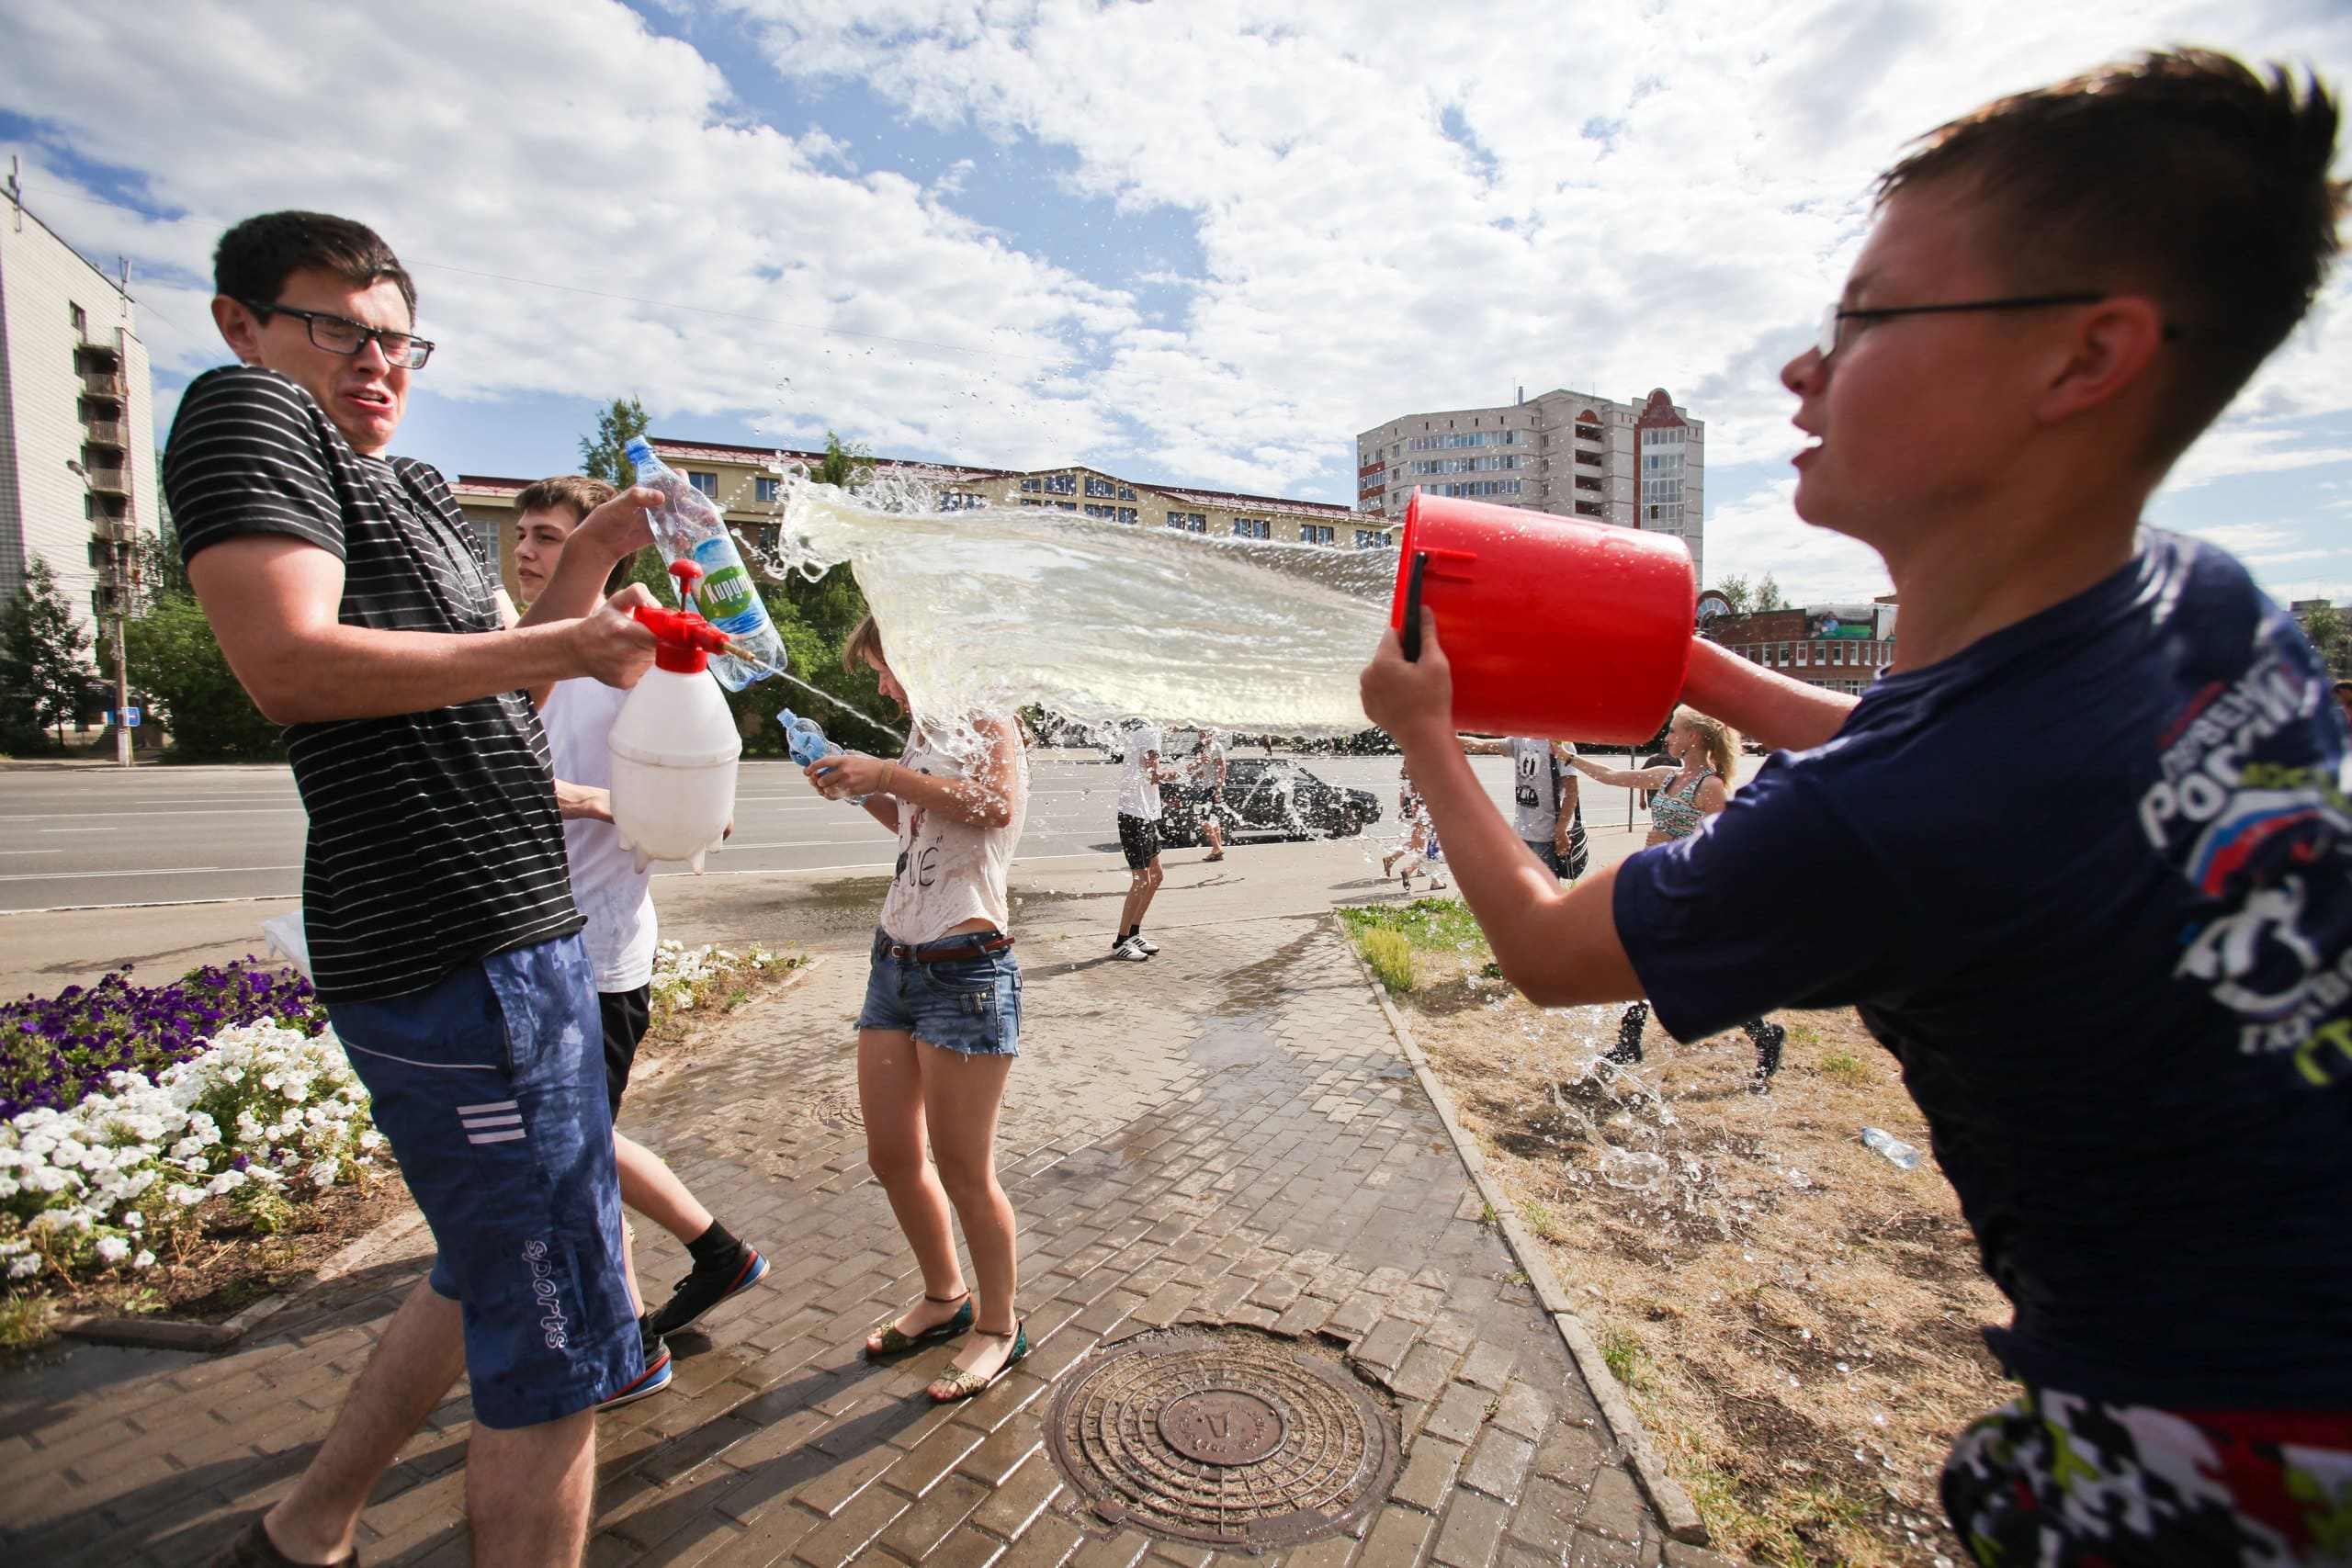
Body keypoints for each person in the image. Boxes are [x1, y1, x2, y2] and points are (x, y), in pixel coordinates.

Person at [1360, 52, 2351, 1564]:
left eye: (1870, 318)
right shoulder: (2206, 601)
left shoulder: (1885, 824)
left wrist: (1427, 735)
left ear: (2085, 357)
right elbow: (1946, 745)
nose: (1800, 371)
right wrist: (1677, 659)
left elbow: (1555, 949)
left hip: (2213, 1474)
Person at [168, 213, 661, 1568]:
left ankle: (306, 1527)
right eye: (335, 326)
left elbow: (507, 687)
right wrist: (564, 643)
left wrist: (595, 553)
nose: (375, 360)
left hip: (514, 939)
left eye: (397, 339)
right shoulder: (254, 414)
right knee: (559, 1341)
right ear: (242, 323)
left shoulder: (419, 490)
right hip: (455, 942)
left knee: (488, 1266)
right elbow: (292, 662)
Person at [513, 477, 769, 1382]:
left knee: (569, 1161)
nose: (528, 550)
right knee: (573, 1148)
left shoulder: (637, 663)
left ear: (605, 553)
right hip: (528, 946)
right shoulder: (515, 647)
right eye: (524, 534)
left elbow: (707, 813)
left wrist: (616, 801)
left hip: (598, 956)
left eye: (552, 537)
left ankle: (628, 1346)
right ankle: (712, 1257)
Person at [802, 616, 1032, 1403]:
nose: (881, 684)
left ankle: (998, 1326)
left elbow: (993, 805)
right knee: (892, 1154)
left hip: (965, 968)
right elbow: (918, 825)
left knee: (965, 1169)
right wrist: (860, 786)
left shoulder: (988, 720)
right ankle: (944, 1296)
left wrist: (887, 774)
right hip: (893, 962)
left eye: (884, 668)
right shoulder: (923, 731)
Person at [1567, 712, 1785, 1089]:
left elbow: (1727, 848)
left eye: (1673, 731)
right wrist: (1569, 758)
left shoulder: (1711, 787)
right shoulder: (1667, 776)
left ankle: (1764, 1034)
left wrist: (1675, 844)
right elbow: (1612, 776)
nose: (1667, 738)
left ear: (1695, 737)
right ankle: (1629, 1041)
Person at [1461, 735, 1589, 883]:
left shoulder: (1560, 743)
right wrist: (1444, 737)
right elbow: (1481, 744)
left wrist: (1560, 832)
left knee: (1544, 887)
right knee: (1522, 886)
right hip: (1520, 834)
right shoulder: (1521, 739)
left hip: (1546, 837)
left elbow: (1572, 792)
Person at [1113, 720, 1171, 959]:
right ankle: (1121, 941)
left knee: (1156, 875)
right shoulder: (1150, 733)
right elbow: (1153, 775)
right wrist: (1190, 770)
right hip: (1134, 816)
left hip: (1145, 815)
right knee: (1142, 880)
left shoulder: (1146, 732)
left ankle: (1134, 932)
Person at [1196, 728, 1229, 862]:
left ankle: (1217, 848)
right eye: (1199, 735)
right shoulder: (1206, 749)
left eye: (1204, 735)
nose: (1201, 737)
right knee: (1213, 819)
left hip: (1213, 788)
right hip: (1208, 787)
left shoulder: (1217, 748)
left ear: (1211, 735)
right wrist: (1200, 772)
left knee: (1201, 819)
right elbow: (1209, 769)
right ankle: (1218, 852)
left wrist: (1219, 789)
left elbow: (1222, 768)